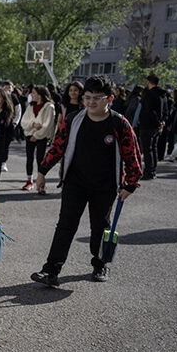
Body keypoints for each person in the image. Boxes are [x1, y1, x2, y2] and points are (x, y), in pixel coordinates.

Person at [30, 75, 141, 286]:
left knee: (100, 226)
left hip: (105, 186)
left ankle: (100, 264)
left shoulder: (119, 123)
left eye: (97, 98)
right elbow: (58, 147)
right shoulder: (73, 119)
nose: (91, 102)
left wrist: (131, 184)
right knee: (65, 225)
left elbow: (132, 155)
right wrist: (43, 171)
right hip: (75, 182)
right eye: (87, 97)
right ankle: (51, 270)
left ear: (110, 98)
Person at [20, 85, 55, 194]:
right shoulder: (30, 106)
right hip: (29, 135)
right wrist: (33, 124)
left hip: (41, 137)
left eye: (34, 93)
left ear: (40, 94)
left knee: (41, 159)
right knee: (29, 158)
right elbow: (24, 121)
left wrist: (38, 135)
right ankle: (29, 180)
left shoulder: (49, 107)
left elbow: (48, 124)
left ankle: (41, 183)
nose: (32, 95)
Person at [137, 73, 167, 180]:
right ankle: (153, 170)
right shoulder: (163, 94)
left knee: (147, 149)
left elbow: (149, 110)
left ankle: (148, 172)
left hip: (148, 124)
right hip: (157, 125)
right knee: (153, 148)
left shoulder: (149, 94)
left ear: (149, 82)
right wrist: (162, 121)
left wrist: (157, 122)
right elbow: (165, 111)